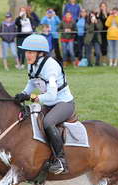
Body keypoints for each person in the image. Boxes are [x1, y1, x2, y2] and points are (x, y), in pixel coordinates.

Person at [13, 34, 74, 174]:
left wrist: (33, 97)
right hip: (49, 103)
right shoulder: (32, 65)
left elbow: (52, 96)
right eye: (26, 52)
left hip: (63, 103)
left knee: (47, 123)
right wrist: (22, 94)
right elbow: (31, 83)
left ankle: (61, 161)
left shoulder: (51, 67)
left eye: (30, 52)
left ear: (40, 53)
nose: (27, 55)